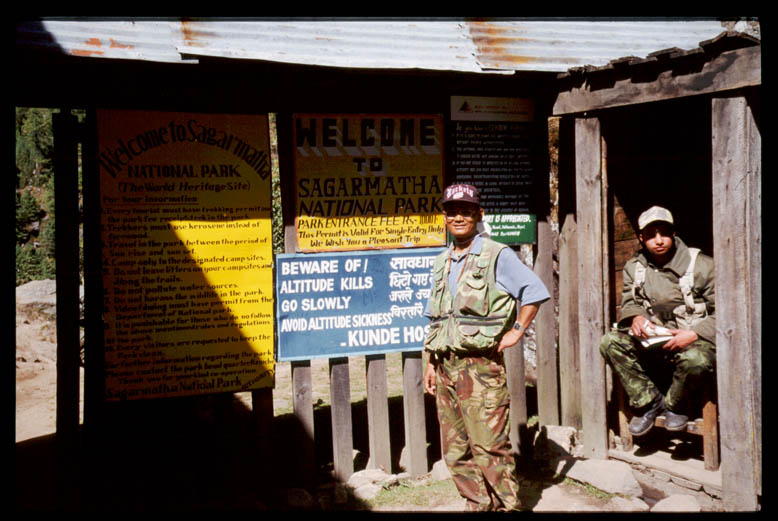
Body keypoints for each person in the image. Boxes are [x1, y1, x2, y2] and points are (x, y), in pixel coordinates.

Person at [422, 183, 550, 512]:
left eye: (466, 210)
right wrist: (430, 363)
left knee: (490, 447)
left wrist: (517, 330)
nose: (459, 216)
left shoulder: (497, 254)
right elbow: (438, 319)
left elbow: (534, 291)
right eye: (452, 211)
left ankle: (508, 507)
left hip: (480, 369)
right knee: (455, 450)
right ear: (445, 217)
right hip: (445, 367)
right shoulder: (441, 262)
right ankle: (477, 505)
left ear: (479, 214)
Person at [600, 206, 716, 437]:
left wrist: (695, 334)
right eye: (651, 235)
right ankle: (649, 402)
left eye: (664, 233)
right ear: (642, 238)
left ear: (673, 234)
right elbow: (629, 300)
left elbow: (727, 311)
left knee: (697, 359)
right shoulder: (636, 266)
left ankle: (676, 405)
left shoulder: (702, 265)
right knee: (610, 342)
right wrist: (636, 317)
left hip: (693, 338)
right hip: (656, 338)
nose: (659, 240)